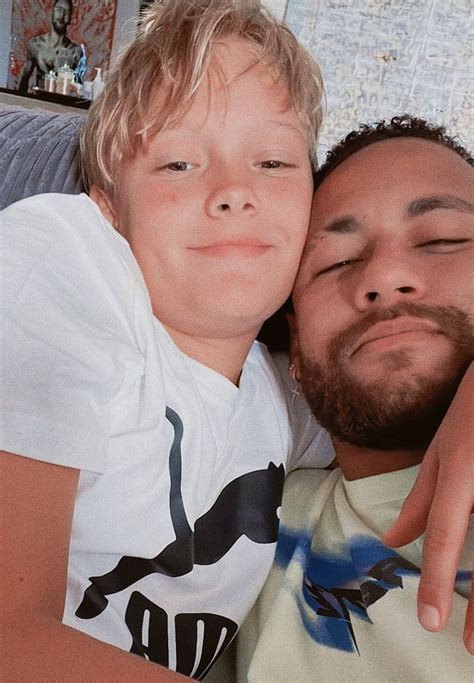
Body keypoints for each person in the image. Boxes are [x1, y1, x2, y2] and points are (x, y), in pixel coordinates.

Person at [0, 0, 471, 675]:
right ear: (108, 207)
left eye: (273, 162)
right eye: (177, 163)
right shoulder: (65, 258)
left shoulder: (287, 401)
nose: (232, 191)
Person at [238, 116, 474, 681]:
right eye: (336, 262)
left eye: (442, 239)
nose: (385, 275)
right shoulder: (241, 521)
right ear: (295, 345)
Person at [17, 0, 82, 93]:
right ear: (52, 12)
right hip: (38, 99)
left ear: (70, 18)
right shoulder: (36, 45)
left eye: (66, 12)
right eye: (59, 10)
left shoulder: (75, 52)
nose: (61, 16)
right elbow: (24, 79)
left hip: (62, 101)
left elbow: (79, 88)